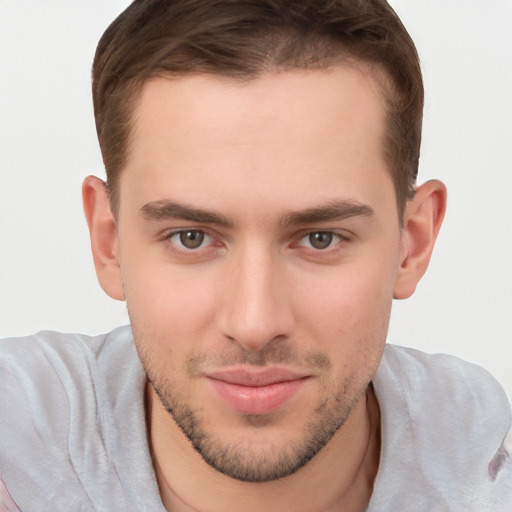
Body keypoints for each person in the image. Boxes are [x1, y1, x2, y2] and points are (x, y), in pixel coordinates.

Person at [0, 0, 510, 510]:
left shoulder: (488, 468)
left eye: (320, 239)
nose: (254, 324)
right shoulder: (16, 434)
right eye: (191, 238)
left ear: (412, 244)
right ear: (108, 240)